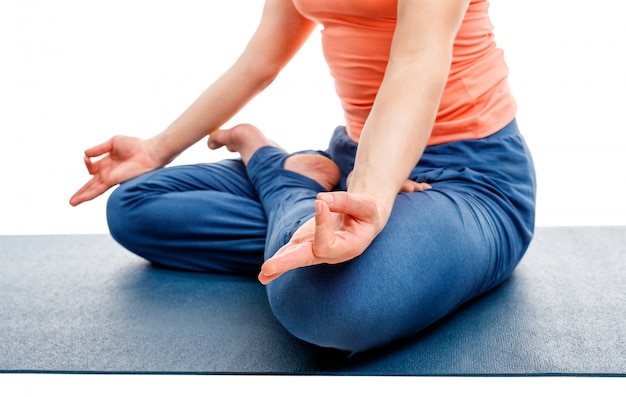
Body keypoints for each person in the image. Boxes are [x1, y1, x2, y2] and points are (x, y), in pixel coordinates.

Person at [70, 0, 536, 354]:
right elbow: (261, 60)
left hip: (466, 179)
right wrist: (156, 148)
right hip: (357, 160)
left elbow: (418, 59)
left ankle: (285, 179)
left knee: (322, 305)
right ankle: (307, 197)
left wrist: (368, 196)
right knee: (134, 207)